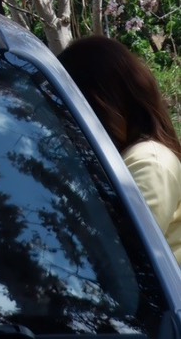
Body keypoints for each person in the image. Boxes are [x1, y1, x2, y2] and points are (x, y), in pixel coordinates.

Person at [59, 35, 181, 263]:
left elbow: (119, 256)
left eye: (69, 109)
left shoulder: (150, 161)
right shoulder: (125, 159)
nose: (67, 122)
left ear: (97, 104)